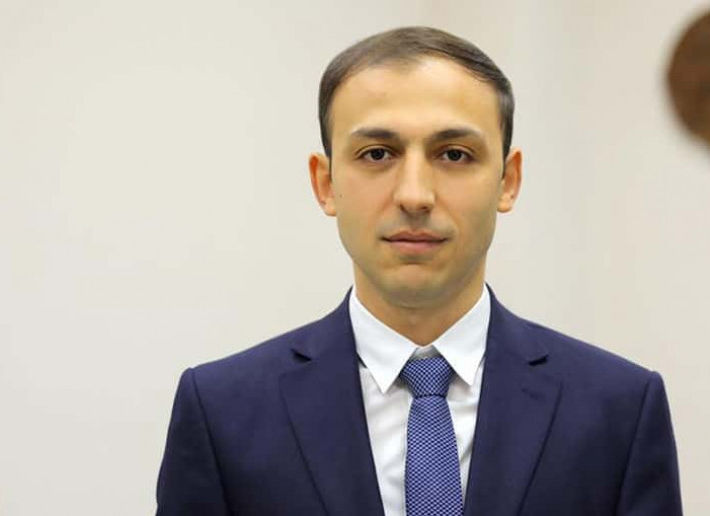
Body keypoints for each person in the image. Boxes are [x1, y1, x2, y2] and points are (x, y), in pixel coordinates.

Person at [156, 26, 682, 516]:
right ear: (325, 183)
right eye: (376, 153)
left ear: (508, 180)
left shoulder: (619, 411)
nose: (414, 195)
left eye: (453, 154)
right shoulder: (223, 413)